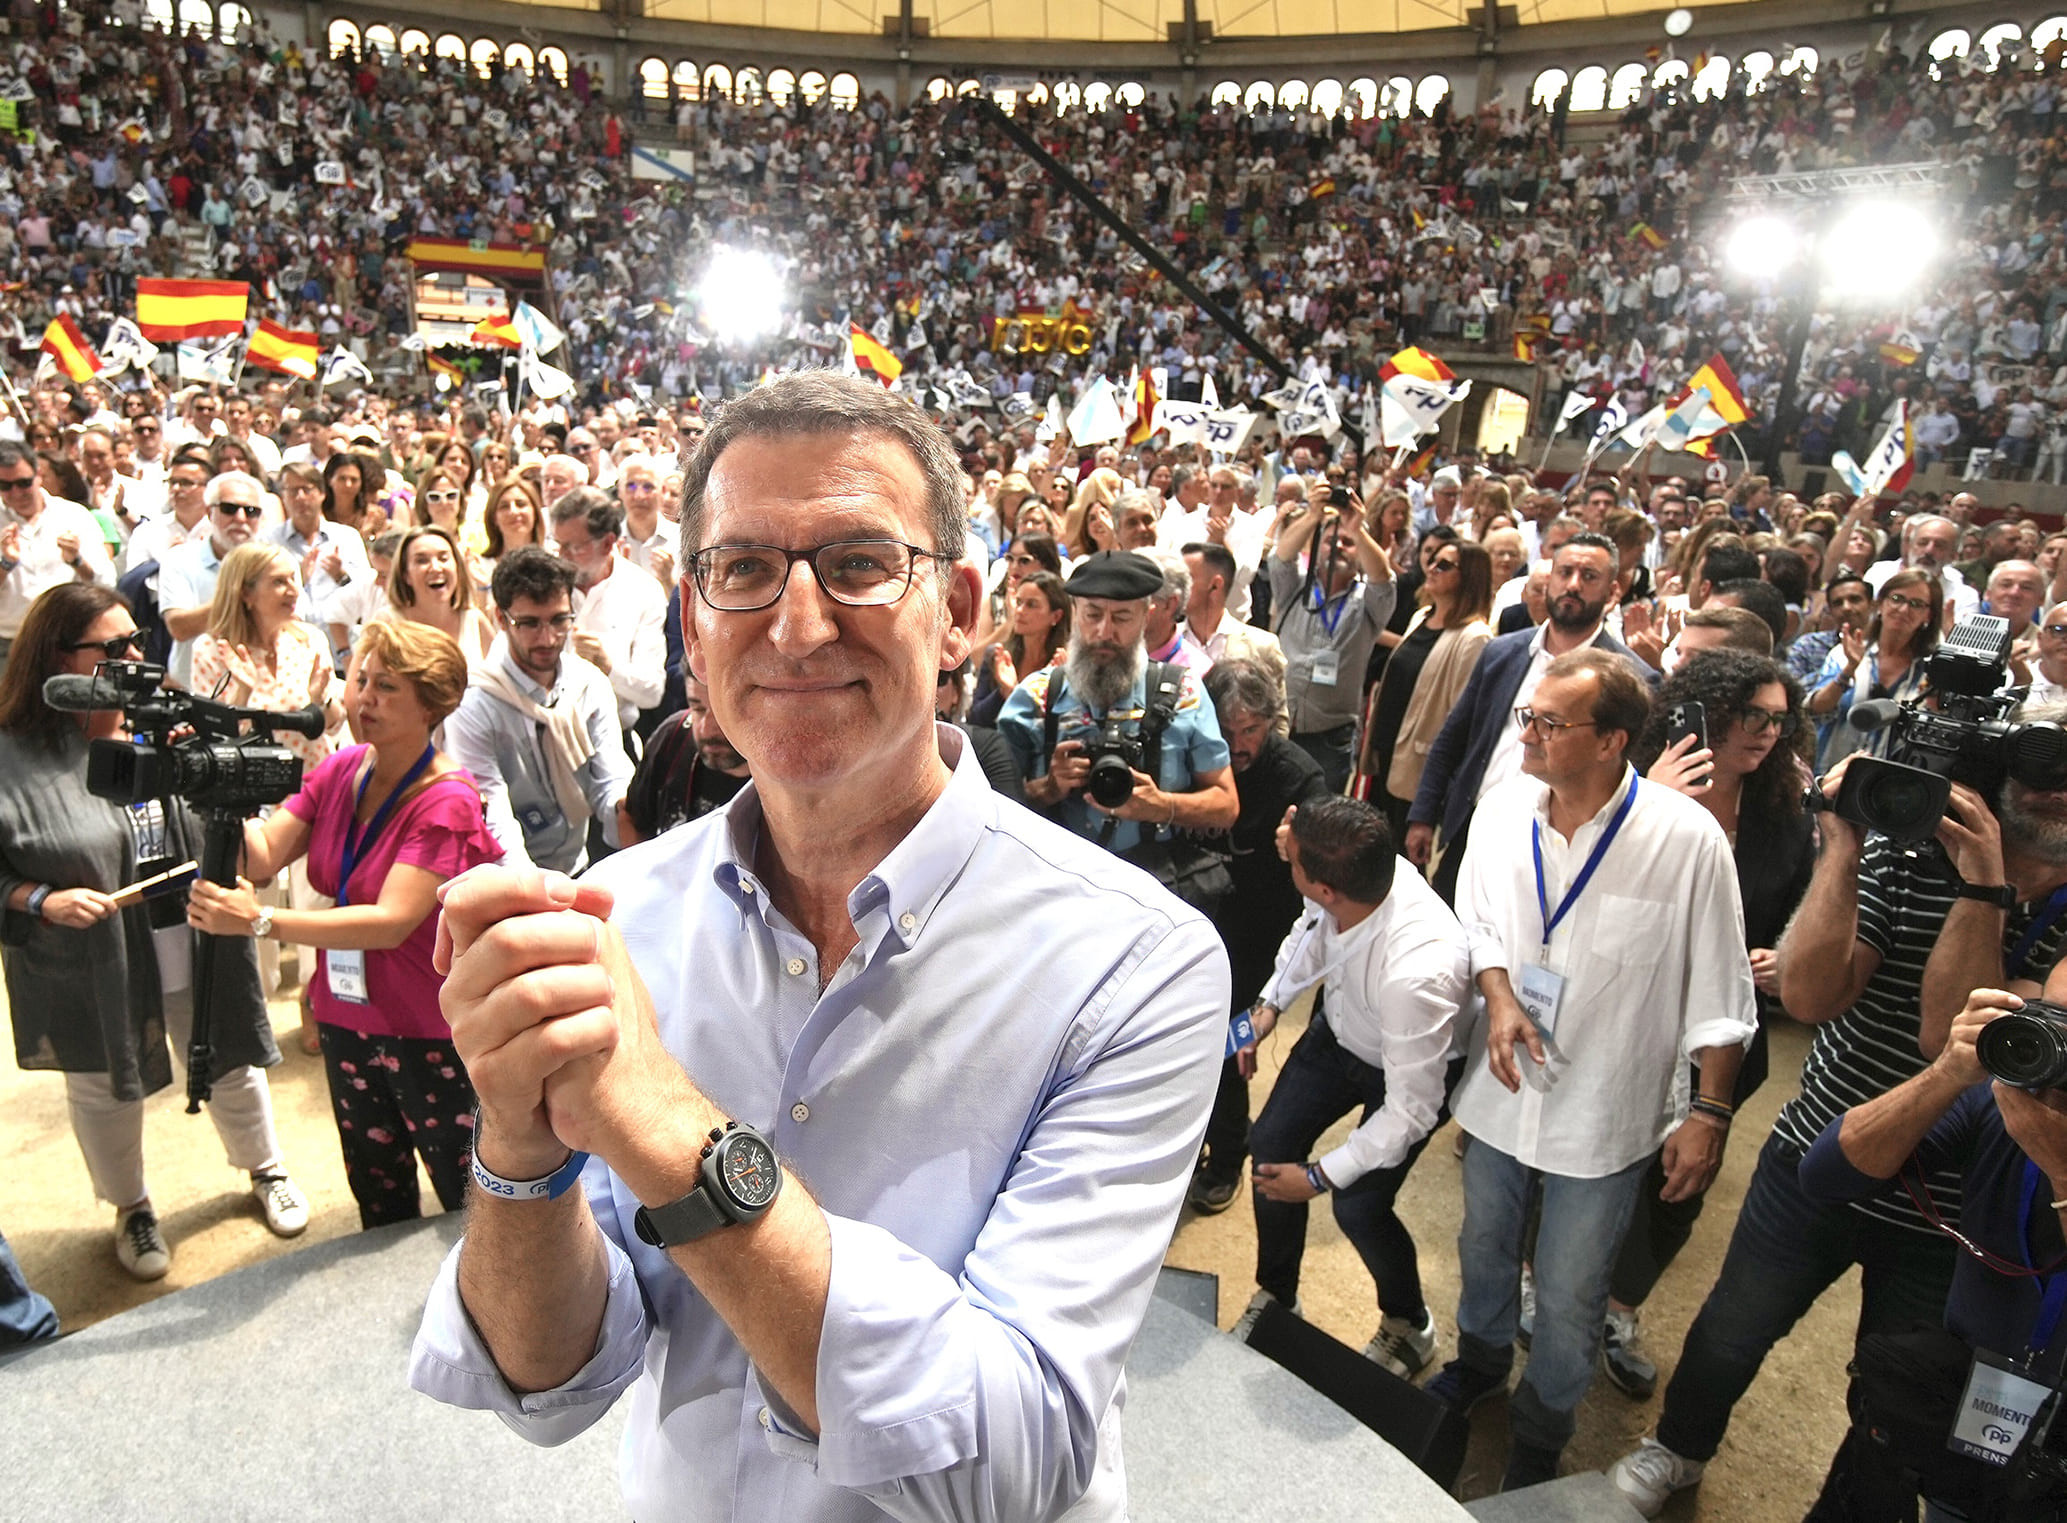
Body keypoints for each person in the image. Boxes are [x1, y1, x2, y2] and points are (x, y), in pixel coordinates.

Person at [409, 371, 1227, 1521]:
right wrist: (517, 1141)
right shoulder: (618, 908)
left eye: (856, 562)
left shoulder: (1134, 962)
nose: (796, 627)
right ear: (693, 622)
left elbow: (1012, 1464)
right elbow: (546, 1377)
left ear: (960, 609)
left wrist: (668, 1127)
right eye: (743, 569)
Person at [1609, 746, 2067, 1518]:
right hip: (1820, 1147)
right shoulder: (1905, 847)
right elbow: (1808, 993)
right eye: (2040, 768)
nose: (2053, 791)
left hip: (1953, 1208)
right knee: (1730, 1330)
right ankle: (1677, 1447)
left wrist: (1983, 886)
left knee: (1897, 1384)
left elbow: (1942, 1038)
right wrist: (1843, 848)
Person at [1428, 648, 1757, 1492]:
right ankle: (1476, 1365)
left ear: (1612, 740)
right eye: (1525, 717)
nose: (1527, 733)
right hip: (1503, 1094)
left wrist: (1708, 1114)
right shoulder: (1504, 808)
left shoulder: (1686, 843)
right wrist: (1497, 995)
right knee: (1484, 1245)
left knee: (1572, 1293)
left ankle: (1539, 1433)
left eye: (1548, 721)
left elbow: (1721, 992)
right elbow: (1477, 920)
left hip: (1604, 1111)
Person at [0, 584, 306, 1279]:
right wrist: (39, 897)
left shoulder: (164, 724)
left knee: (229, 1053)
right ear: (58, 658)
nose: (134, 658)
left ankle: (265, 1167)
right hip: (88, 953)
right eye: (113, 649)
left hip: (188, 928)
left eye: (135, 641)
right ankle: (131, 1206)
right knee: (104, 1082)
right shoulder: (12, 754)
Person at [187, 619, 501, 1228]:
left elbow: (391, 921)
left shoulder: (448, 798)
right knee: (376, 1188)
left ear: (434, 703)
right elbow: (261, 855)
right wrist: (215, 784)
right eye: (359, 679)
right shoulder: (341, 769)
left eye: (386, 686)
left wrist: (260, 920)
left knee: (470, 1200)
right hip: (346, 1017)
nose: (362, 699)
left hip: (426, 1026)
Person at [1605, 650, 1817, 1398]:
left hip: (1720, 1032)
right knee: (1591, 1165)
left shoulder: (1784, 815)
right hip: (1624, 1013)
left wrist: (1777, 956)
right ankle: (1543, 1283)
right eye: (1746, 715)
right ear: (1701, 712)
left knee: (1678, 1183)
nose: (1761, 732)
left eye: (1775, 719)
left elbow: (1796, 909)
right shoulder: (1633, 783)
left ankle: (1619, 1309)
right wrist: (1642, 806)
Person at [1798, 987, 2067, 1521]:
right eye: (2056, 1019)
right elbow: (1825, 1175)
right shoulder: (2006, 1101)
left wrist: (2061, 1170)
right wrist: (1948, 1072)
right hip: (1971, 1421)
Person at [1231, 796, 1471, 1384]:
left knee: (1358, 1203)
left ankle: (1408, 1321)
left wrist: (1316, 1177)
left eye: (1295, 859)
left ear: (1329, 885)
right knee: (1269, 1151)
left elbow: (1411, 1113)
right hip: (1338, 1035)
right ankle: (1278, 1297)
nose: (1284, 849)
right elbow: (1309, 929)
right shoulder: (1353, 884)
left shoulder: (1419, 972)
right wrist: (1267, 1009)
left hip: (1408, 1071)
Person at [1406, 533, 1654, 903]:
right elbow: (1453, 737)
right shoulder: (1502, 652)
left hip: (1558, 848)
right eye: (1565, 572)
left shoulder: (1632, 678)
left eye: (1589, 576)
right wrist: (1423, 814)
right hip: (1474, 827)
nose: (1573, 585)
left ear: (1613, 591)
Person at [998, 549, 1239, 882]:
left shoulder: (1184, 693)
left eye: (1122, 617)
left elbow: (1226, 805)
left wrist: (1161, 805)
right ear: (1074, 612)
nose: (1104, 631)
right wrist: (1047, 789)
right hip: (1054, 881)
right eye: (1093, 614)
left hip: (1157, 883)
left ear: (1146, 614)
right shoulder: (1035, 697)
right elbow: (993, 807)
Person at [1190, 658, 1331, 1215]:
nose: (1237, 743)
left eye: (1250, 730)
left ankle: (1228, 1155)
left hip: (1257, 936)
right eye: (1225, 731)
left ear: (1272, 723)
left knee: (1228, 1047)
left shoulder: (1299, 777)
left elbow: (1321, 875)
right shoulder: (1191, 755)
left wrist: (1298, 846)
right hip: (1197, 917)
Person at [445, 546, 634, 874]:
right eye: (529, 623)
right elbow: (492, 814)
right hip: (508, 879)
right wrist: (536, 893)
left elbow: (611, 778)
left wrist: (634, 817)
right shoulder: (474, 704)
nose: (547, 638)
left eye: (559, 620)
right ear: (500, 620)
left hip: (580, 863)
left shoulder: (588, 684)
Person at [1268, 482, 1397, 792]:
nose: (1338, 546)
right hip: (1279, 725)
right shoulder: (1295, 588)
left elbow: (1383, 579)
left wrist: (1358, 530)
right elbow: (1280, 557)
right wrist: (1313, 515)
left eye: (1347, 543)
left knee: (1320, 820)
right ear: (1314, 549)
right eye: (1329, 541)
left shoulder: (1368, 603)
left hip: (1329, 735)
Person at [1361, 537, 1495, 837]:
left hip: (1417, 767)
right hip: (1387, 750)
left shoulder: (1474, 637)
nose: (1431, 568)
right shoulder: (1421, 616)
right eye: (1432, 559)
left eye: (1444, 565)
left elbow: (1461, 719)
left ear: (1469, 577)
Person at [551, 487, 669, 736]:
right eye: (558, 545)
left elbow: (652, 693)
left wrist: (608, 666)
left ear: (607, 544)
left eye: (573, 548)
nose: (562, 557)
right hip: (547, 730)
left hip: (613, 736)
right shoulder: (546, 584)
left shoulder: (643, 591)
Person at [1808, 567, 1941, 770]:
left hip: (1885, 785)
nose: (1903, 609)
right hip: (1829, 774)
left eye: (1916, 604)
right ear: (1880, 604)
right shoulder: (1844, 652)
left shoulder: (1931, 671)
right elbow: (1817, 707)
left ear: (1928, 616)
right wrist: (1849, 669)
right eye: (1897, 598)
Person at [0, 438, 116, 663]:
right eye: (5, 486)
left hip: (65, 642)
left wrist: (77, 561)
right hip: (9, 643)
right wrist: (5, 564)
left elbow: (106, 582)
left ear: (39, 475)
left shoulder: (74, 515)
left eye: (23, 483)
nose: (16, 493)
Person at [622, 672, 751, 844]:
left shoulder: (786, 774)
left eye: (723, 710)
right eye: (697, 709)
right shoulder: (674, 735)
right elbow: (630, 818)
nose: (706, 729)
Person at [380, 525, 496, 666]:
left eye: (443, 558)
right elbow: (357, 686)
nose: (435, 568)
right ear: (405, 575)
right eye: (422, 561)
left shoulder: (475, 621)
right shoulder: (387, 624)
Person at [970, 568, 1068, 728]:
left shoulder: (1064, 664)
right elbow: (975, 720)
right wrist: (1004, 692)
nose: (1020, 611)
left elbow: (1067, 727)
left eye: (1031, 605)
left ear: (1056, 616)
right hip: (997, 748)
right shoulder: (998, 655)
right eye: (1019, 602)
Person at [1182, 540, 1284, 677]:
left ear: (1215, 585)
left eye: (1186, 579)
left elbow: (1274, 698)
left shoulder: (1261, 647)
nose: (1177, 587)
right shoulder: (1164, 640)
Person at [474, 477, 546, 601]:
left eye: (521, 504)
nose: (513, 511)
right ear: (494, 518)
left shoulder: (553, 558)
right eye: (504, 506)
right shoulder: (479, 569)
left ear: (535, 512)